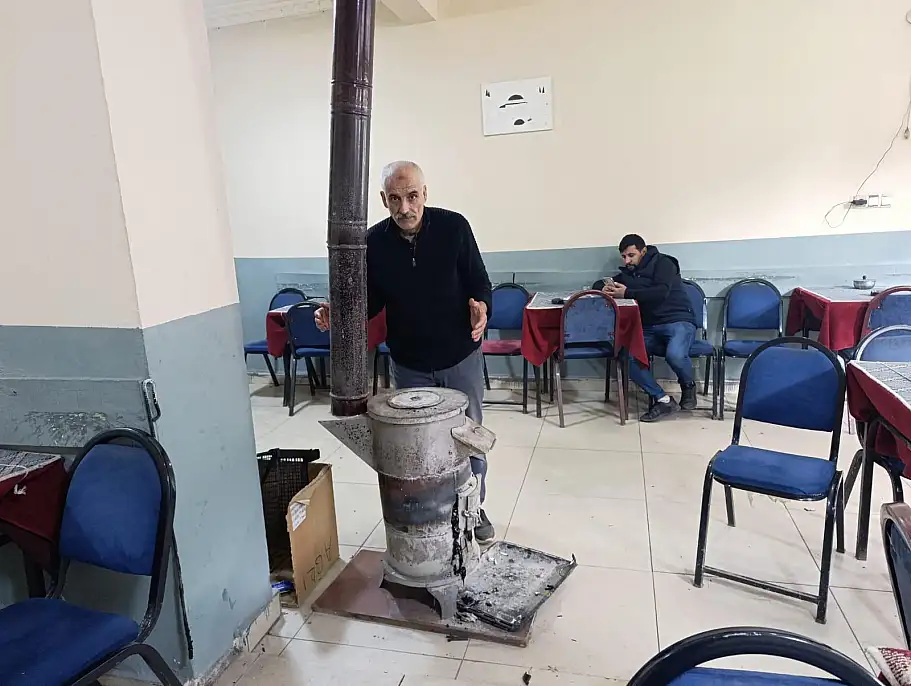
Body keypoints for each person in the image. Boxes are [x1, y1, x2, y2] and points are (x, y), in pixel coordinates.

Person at [315, 161, 496, 542]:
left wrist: (482, 308)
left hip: (460, 356)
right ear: (384, 200)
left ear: (425, 193)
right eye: (395, 199)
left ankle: (474, 509)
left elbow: (480, 282)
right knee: (419, 445)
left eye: (412, 196)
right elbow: (368, 300)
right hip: (410, 363)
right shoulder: (374, 242)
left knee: (469, 437)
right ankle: (433, 512)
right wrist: (338, 311)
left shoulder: (454, 227)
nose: (405, 208)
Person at [596, 234, 697, 422]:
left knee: (675, 355)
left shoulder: (664, 263)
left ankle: (688, 385)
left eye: (631, 255)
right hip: (649, 326)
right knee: (627, 356)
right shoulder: (629, 273)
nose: (627, 261)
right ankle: (663, 400)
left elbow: (661, 292)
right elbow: (602, 283)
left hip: (678, 319)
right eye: (624, 257)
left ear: (643, 251)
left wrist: (627, 292)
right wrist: (604, 288)